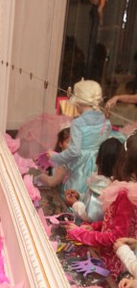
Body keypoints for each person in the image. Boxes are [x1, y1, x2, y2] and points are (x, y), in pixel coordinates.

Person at [65, 130, 137, 277]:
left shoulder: (126, 194)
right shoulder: (129, 190)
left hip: (109, 264)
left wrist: (81, 234)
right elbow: (113, 221)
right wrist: (94, 227)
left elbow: (116, 237)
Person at [48, 79, 112, 196]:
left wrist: (56, 157)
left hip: (80, 166)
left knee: (73, 192)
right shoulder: (105, 121)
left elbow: (74, 151)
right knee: (89, 194)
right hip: (97, 165)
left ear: (78, 102)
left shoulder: (78, 123)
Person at [67, 137, 123, 222]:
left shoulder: (101, 187)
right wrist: (79, 196)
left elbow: (91, 216)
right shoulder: (107, 182)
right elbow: (90, 202)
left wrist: (75, 203)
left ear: (97, 159)